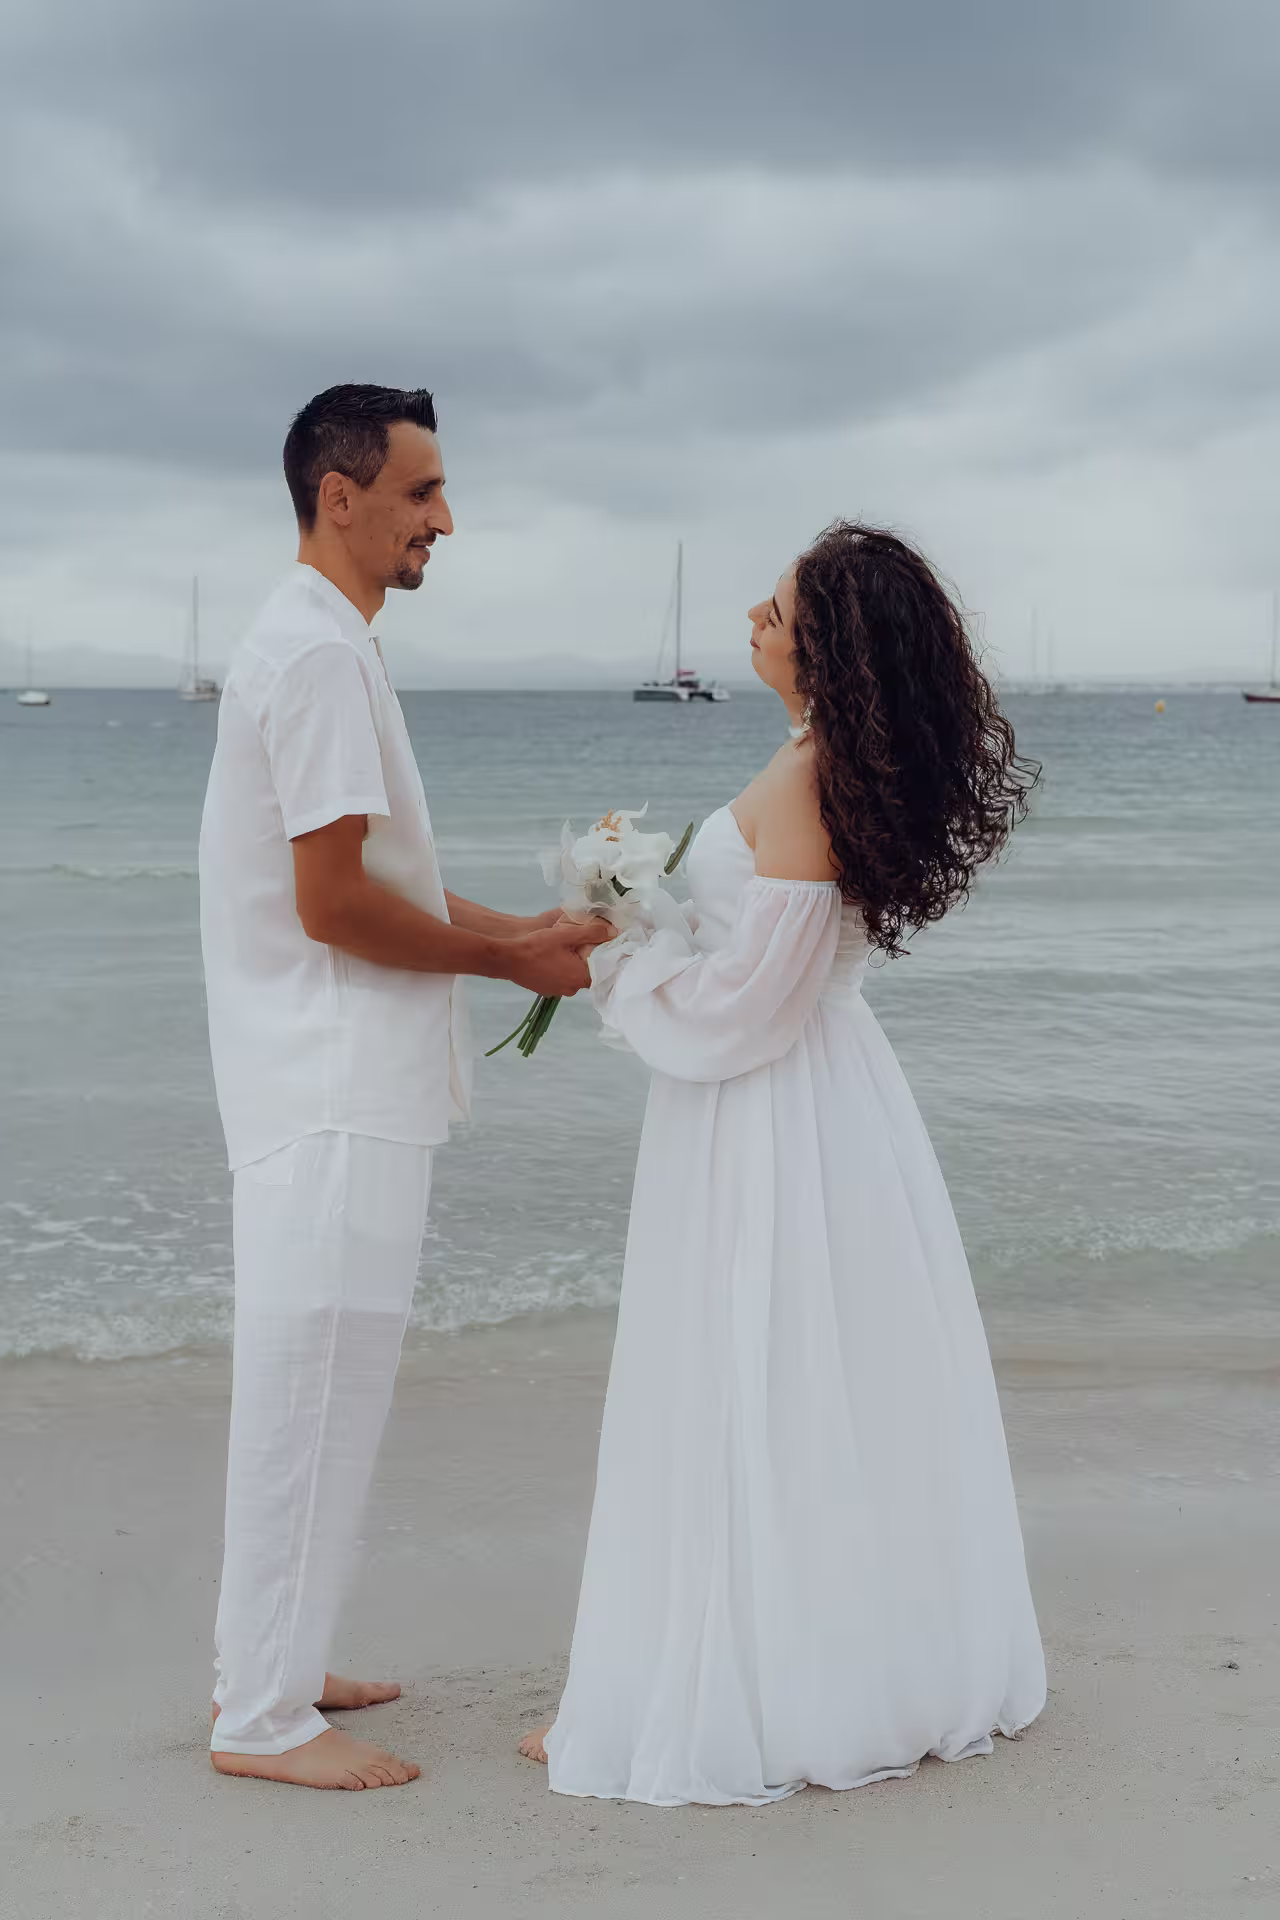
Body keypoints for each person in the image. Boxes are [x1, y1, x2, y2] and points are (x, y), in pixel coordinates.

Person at [520, 522, 1045, 1805]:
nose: (750, 624)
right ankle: (794, 1656)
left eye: (773, 609)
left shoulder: (813, 781)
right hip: (815, 1100)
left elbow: (756, 997)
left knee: (749, 1376)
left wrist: (620, 959)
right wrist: (642, 915)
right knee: (809, 1382)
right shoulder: (824, 761)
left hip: (773, 1110)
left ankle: (725, 1689)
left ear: (830, 645)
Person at [199, 383, 608, 1791]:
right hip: (326, 1082)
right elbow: (328, 907)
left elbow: (384, 883)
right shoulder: (315, 658)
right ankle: (258, 1718)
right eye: (424, 492)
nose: (446, 518)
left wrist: (518, 934)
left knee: (334, 1389)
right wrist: (503, 973)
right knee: (306, 1393)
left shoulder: (325, 644)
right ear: (340, 496)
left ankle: (285, 1660)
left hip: (339, 1077)